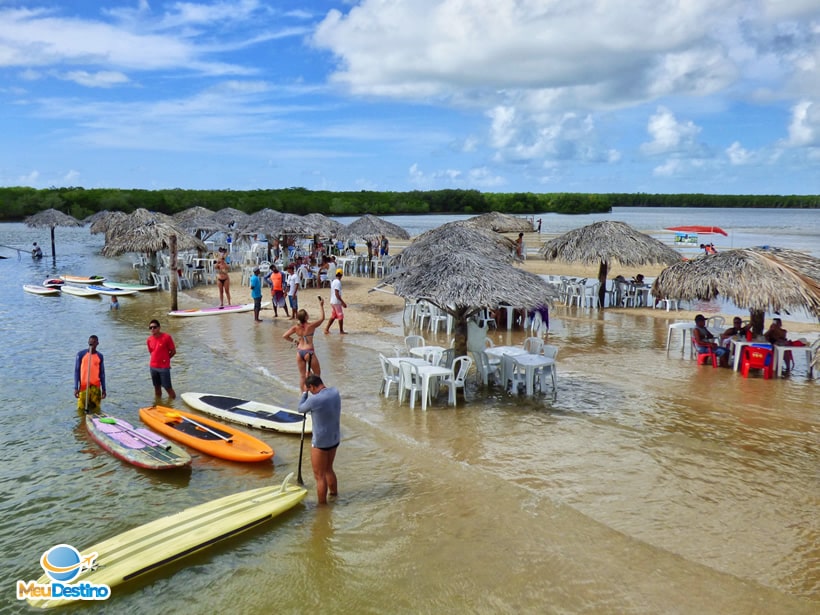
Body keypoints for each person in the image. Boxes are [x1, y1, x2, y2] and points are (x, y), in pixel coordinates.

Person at [297, 374, 341, 505]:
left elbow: (300, 408)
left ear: (312, 386)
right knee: (329, 469)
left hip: (320, 442)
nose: (311, 392)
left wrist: (305, 393)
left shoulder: (314, 400)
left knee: (319, 476)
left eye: (310, 389)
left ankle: (322, 506)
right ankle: (334, 494)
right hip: (334, 438)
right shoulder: (335, 392)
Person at [283, 298, 326, 392]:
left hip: (299, 352)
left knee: (302, 376)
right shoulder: (310, 326)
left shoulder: (296, 327)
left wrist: (295, 341)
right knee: (317, 374)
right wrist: (321, 305)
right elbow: (322, 318)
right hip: (309, 352)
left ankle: (303, 395)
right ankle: (317, 392)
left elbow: (285, 336)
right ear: (306, 317)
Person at [74, 335, 106, 414]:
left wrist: (104, 389)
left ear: (97, 343)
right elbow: (76, 371)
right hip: (84, 387)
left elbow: (102, 373)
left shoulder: (100, 356)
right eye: (90, 342)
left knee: (96, 410)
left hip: (96, 387)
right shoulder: (81, 354)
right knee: (81, 410)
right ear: (88, 342)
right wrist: (76, 387)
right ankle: (82, 423)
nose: (92, 344)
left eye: (94, 342)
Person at [147, 319, 176, 398]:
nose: (152, 329)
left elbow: (173, 351)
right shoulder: (149, 340)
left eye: (154, 327)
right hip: (153, 367)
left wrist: (166, 360)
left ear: (159, 328)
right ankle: (158, 405)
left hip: (163, 368)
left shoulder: (166, 337)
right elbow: (151, 352)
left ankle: (173, 405)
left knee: (168, 388)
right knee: (156, 388)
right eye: (151, 328)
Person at [324, 269, 348, 335]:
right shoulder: (338, 282)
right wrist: (343, 302)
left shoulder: (334, 281)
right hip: (336, 301)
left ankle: (326, 329)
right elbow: (336, 293)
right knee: (340, 316)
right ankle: (341, 331)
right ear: (341, 275)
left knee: (333, 316)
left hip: (332, 301)